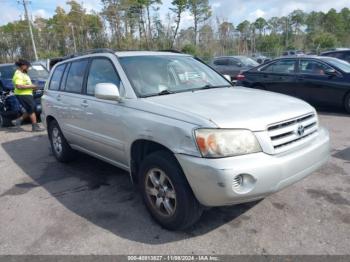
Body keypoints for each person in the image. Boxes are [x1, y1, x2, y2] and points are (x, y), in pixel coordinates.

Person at [12, 59, 44, 132]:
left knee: (32, 108)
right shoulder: (18, 74)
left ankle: (19, 120)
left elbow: (26, 84)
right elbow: (19, 86)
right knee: (32, 108)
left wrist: (34, 88)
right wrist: (32, 86)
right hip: (22, 94)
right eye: (27, 66)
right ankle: (33, 126)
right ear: (23, 66)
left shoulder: (24, 73)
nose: (28, 68)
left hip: (27, 94)